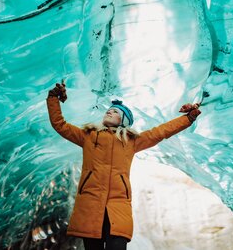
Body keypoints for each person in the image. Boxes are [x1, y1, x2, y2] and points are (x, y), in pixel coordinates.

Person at [46, 81, 201, 250]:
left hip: (118, 206)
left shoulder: (131, 142)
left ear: (124, 121)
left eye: (115, 112)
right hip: (90, 204)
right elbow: (60, 125)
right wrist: (53, 97)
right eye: (108, 111)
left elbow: (160, 132)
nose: (109, 112)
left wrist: (188, 118)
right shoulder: (88, 137)